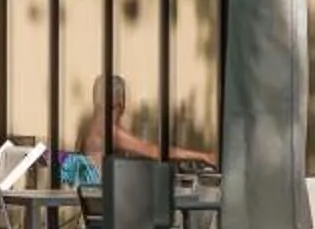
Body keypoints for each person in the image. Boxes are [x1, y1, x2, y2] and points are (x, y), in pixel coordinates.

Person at [65, 75, 214, 185]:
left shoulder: (90, 127)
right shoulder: (110, 131)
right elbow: (154, 151)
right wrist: (203, 156)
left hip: (97, 199)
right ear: (119, 102)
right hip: (111, 205)